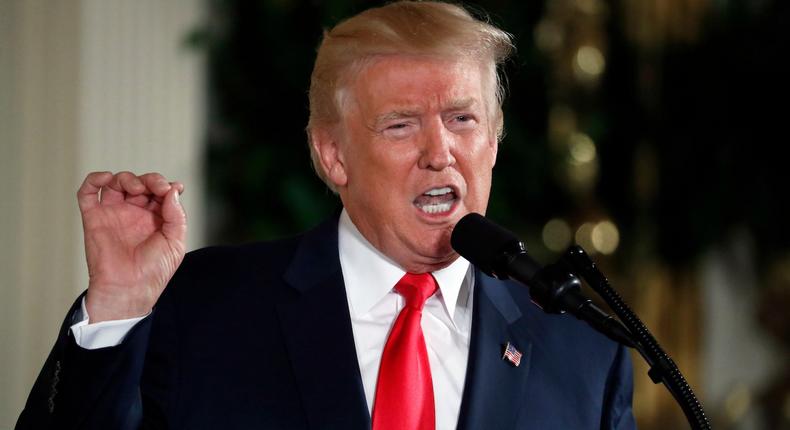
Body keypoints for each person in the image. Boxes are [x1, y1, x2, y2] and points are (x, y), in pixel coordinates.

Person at [16, 1, 636, 429]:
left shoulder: (580, 349)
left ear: (493, 144)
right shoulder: (204, 305)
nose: (439, 152)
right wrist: (121, 308)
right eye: (401, 125)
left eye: (462, 119)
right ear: (332, 154)